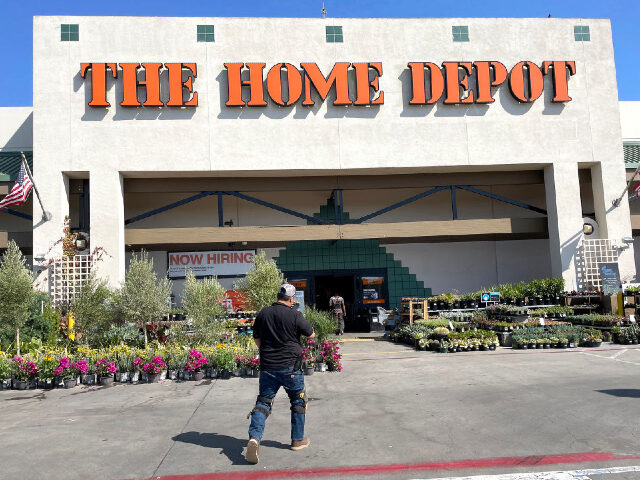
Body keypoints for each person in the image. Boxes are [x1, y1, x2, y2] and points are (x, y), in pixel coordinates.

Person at [246, 283, 315, 464]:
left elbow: (257, 338)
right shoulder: (294, 314)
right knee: (299, 401)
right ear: (291, 299)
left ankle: (254, 438)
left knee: (263, 402)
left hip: (268, 367)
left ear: (278, 295)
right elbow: (311, 334)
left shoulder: (264, 313)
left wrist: (267, 354)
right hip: (291, 367)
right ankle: (297, 441)